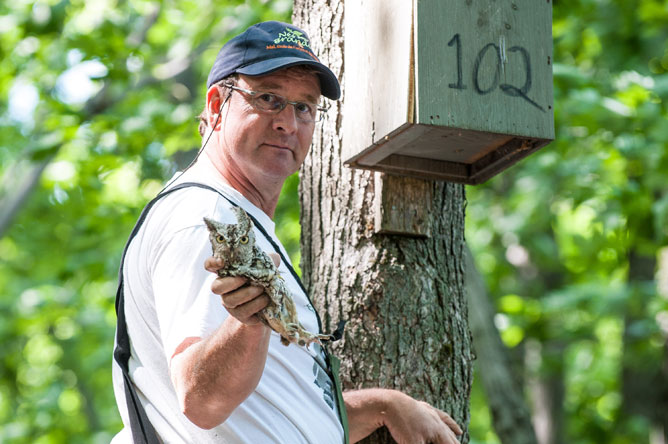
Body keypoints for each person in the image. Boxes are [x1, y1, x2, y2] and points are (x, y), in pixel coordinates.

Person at [112, 20, 463, 444]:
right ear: (217, 106)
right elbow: (201, 400)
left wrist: (383, 405)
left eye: (304, 107)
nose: (288, 123)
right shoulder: (205, 216)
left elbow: (268, 417)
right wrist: (249, 325)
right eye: (268, 98)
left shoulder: (239, 217)